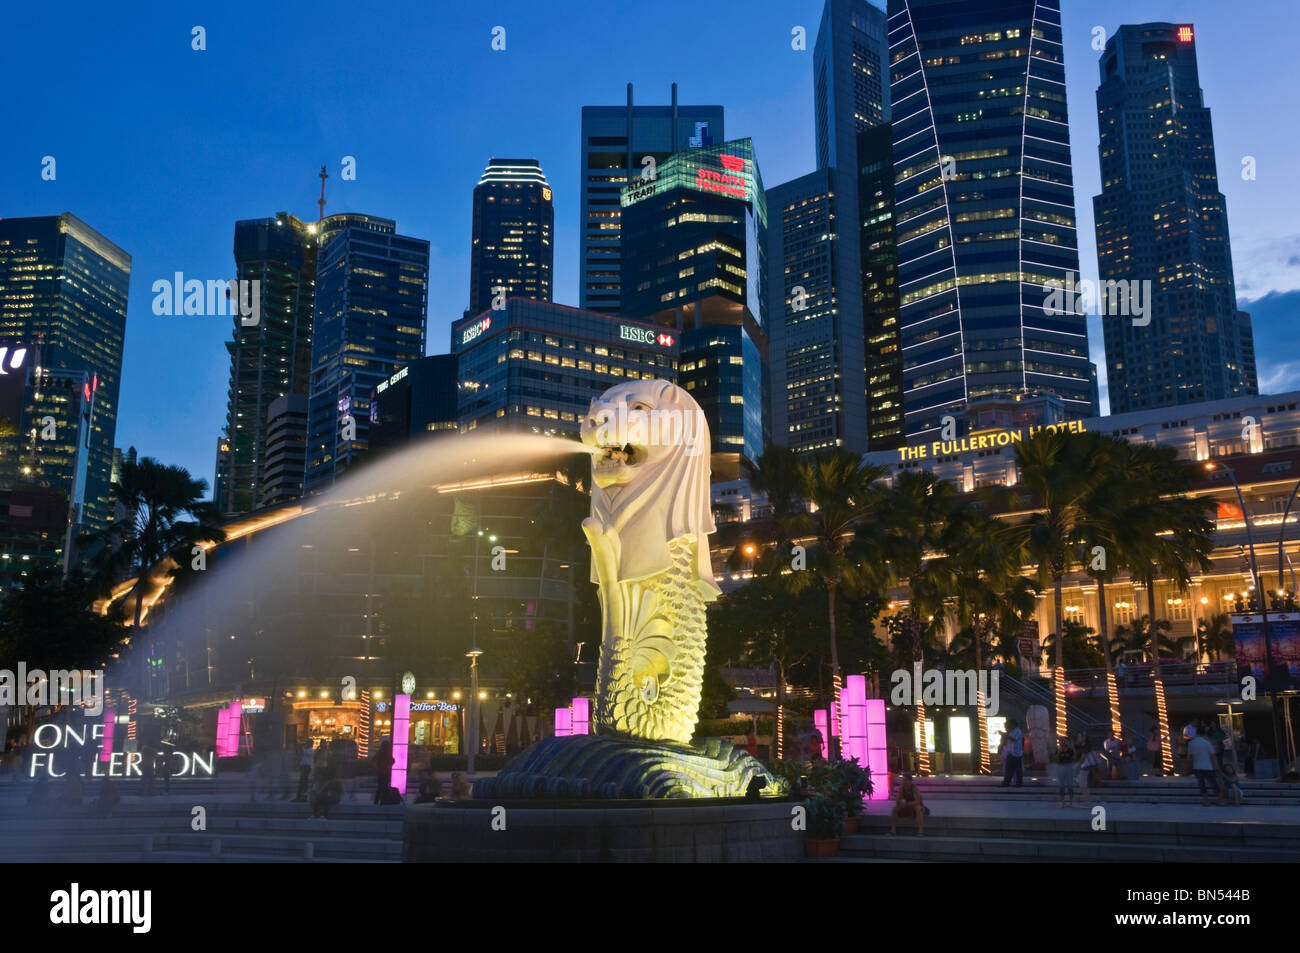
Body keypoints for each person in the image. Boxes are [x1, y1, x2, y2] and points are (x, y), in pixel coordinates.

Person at [1186, 728, 1222, 806]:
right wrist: (1217, 767)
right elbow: (1213, 756)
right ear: (1204, 734)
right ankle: (1220, 800)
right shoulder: (1207, 743)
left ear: (1196, 734)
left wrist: (1188, 768)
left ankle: (1206, 801)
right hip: (1208, 766)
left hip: (1197, 767)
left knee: (1202, 785)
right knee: (1213, 784)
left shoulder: (1191, 743)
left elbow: (1189, 757)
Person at [1053, 735, 1077, 807]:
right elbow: (1055, 760)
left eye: (1064, 741)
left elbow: (1074, 758)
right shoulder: (1058, 750)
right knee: (1062, 786)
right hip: (1061, 768)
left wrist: (1072, 748)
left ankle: (1071, 802)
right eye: (1061, 741)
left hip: (1069, 767)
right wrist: (1059, 752)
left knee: (1070, 785)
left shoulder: (1070, 750)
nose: (1062, 742)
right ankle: (1063, 802)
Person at [1000, 718, 1024, 787]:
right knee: (1009, 770)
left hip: (1016, 754)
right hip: (1010, 754)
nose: (1006, 727)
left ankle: (1018, 783)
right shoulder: (1011, 732)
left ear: (1012, 725)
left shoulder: (1017, 731)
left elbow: (1013, 739)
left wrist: (1004, 735)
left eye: (1007, 725)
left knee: (1017, 770)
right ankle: (1007, 782)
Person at [372, 739, 394, 805]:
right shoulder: (388, 753)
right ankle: (385, 800)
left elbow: (373, 760)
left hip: (381, 772)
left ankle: (378, 801)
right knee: (384, 787)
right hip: (386, 772)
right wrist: (389, 766)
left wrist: (377, 767)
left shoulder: (379, 752)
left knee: (381, 787)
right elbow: (393, 760)